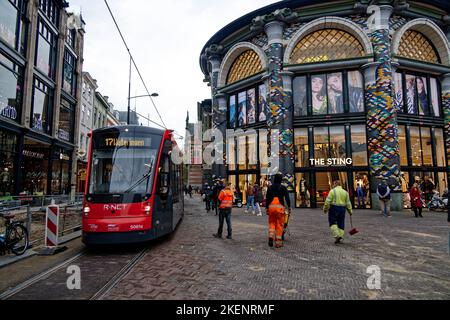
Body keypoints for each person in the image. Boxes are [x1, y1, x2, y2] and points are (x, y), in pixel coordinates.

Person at [266, 174, 292, 248]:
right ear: (281, 180)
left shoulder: (270, 187)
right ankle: (278, 242)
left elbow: (267, 198)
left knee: (272, 223)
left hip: (271, 207)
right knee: (280, 225)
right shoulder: (283, 187)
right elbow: (287, 198)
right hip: (280, 208)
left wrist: (267, 208)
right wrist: (289, 207)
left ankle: (271, 236)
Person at [323, 180, 353, 244]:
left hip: (334, 208)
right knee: (341, 222)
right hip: (342, 209)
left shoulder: (332, 191)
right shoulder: (345, 192)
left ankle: (337, 235)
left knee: (332, 222)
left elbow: (327, 202)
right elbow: (348, 203)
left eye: (333, 184)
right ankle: (341, 236)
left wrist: (325, 209)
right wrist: (350, 211)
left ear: (335, 184)